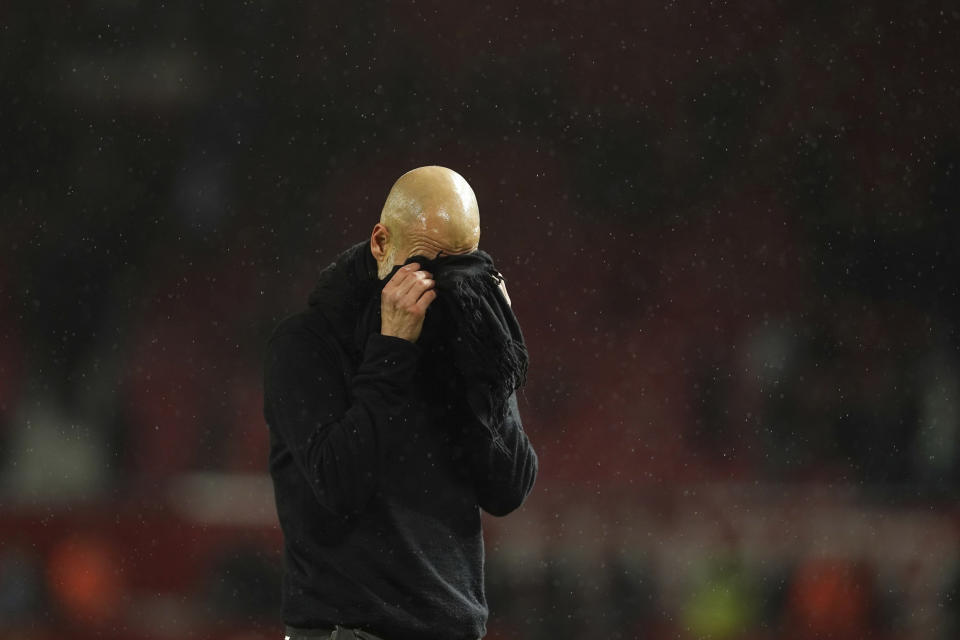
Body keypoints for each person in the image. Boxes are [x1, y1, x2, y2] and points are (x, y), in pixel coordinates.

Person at [263, 166, 538, 640]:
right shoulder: (307, 343)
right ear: (380, 243)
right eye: (428, 265)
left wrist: (491, 363)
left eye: (463, 265)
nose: (447, 285)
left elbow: (507, 489)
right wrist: (392, 352)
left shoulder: (460, 337)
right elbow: (340, 483)